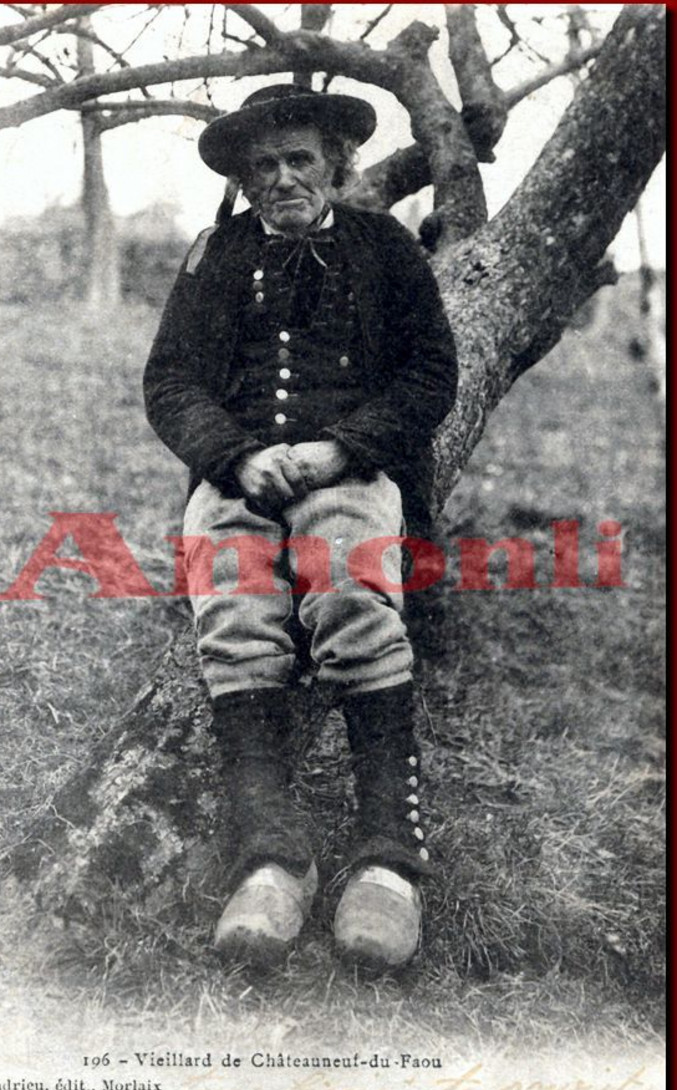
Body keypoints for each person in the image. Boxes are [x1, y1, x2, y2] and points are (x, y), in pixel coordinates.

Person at [144, 84, 458, 970]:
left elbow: (430, 376)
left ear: (335, 166)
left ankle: (387, 860)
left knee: (354, 596)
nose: (282, 178)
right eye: (264, 167)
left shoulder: (385, 249)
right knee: (235, 618)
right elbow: (170, 381)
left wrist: (341, 449)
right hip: (236, 471)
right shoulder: (216, 253)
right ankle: (271, 857)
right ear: (245, 179)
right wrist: (236, 457)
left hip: (350, 470)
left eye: (299, 161)